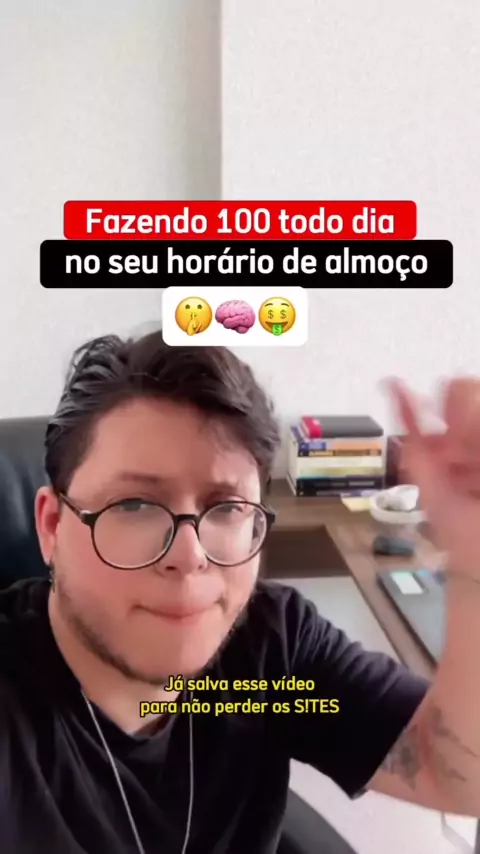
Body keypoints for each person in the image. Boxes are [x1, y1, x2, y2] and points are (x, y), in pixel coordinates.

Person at [1, 330, 480, 854]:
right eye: (134, 505)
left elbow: (455, 773)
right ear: (51, 526)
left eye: (226, 507)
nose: (190, 555)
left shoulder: (269, 653)